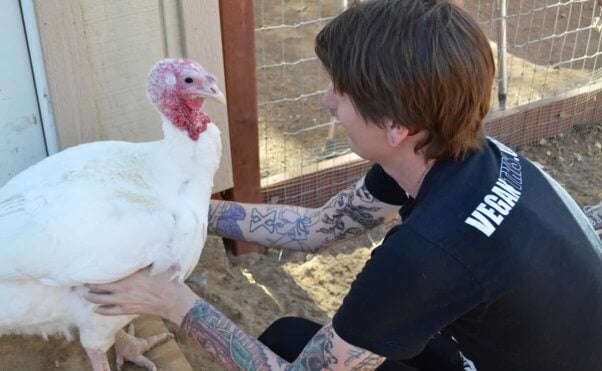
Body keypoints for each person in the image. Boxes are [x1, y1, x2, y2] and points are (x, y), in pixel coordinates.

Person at [85, 0, 602, 370]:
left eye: (342, 91)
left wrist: (173, 303)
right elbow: (314, 228)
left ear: (396, 127)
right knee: (289, 335)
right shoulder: (451, 151)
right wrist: (186, 206)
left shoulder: (424, 257)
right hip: (524, 344)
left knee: (291, 351)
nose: (327, 101)